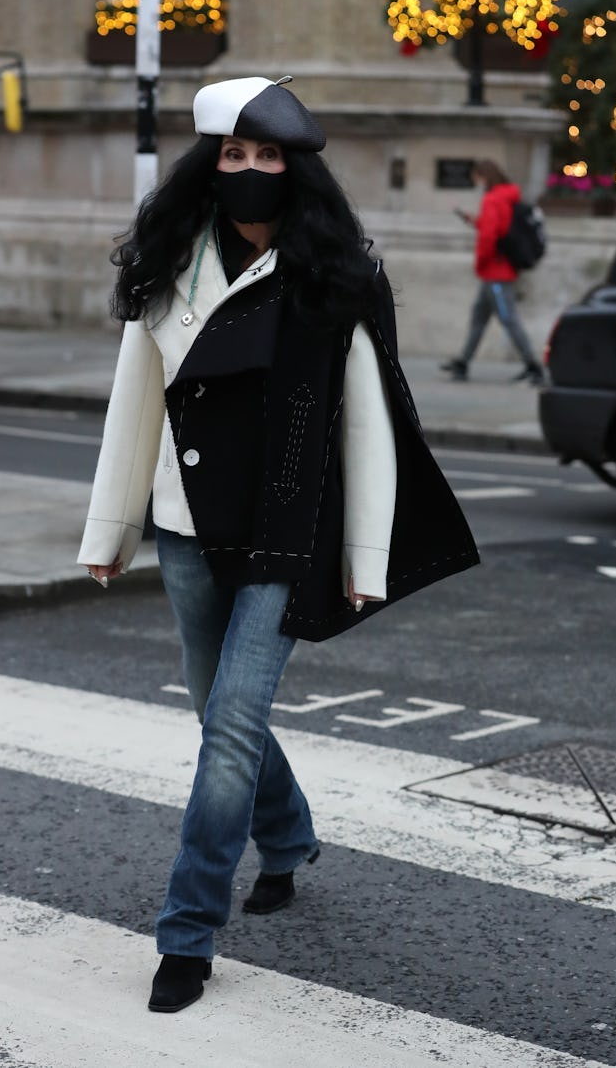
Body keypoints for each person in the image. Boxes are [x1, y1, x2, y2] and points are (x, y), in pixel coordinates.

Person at [78, 76, 479, 1014]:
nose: (250, 171)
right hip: (184, 527)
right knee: (218, 711)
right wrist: (113, 528)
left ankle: (186, 932)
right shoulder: (170, 261)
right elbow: (137, 403)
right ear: (209, 166)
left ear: (295, 169)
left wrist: (365, 558)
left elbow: (372, 425)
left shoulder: (334, 272)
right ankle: (289, 840)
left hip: (282, 536)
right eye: (234, 155)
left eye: (268, 157)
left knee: (228, 733)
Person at [441, 159, 544, 384]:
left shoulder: (492, 199)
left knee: (509, 320)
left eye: (477, 178)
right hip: (496, 271)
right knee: (479, 318)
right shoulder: (506, 196)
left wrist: (480, 263)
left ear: (484, 177)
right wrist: (473, 220)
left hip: (496, 272)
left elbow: (489, 237)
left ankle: (533, 366)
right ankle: (463, 363)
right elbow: (498, 227)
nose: (476, 183)